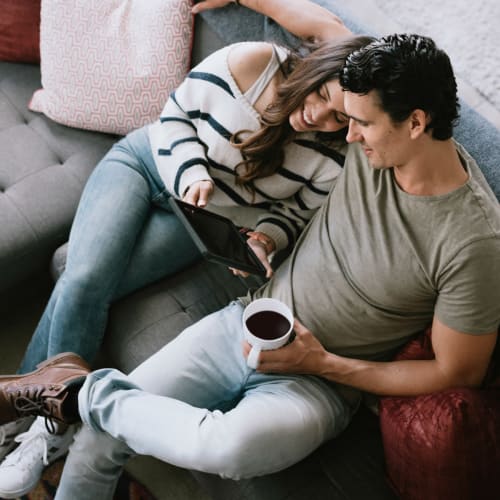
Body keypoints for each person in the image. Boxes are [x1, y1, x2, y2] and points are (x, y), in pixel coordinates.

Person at [1, 6, 499, 498]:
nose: (346, 135)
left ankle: (76, 392)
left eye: (361, 125)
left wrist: (323, 364)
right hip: (248, 321)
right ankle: (73, 402)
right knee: (100, 433)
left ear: (416, 122)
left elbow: (458, 372)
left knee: (227, 448)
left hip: (320, 384)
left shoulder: (473, 244)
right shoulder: (373, 133)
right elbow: (327, 31)